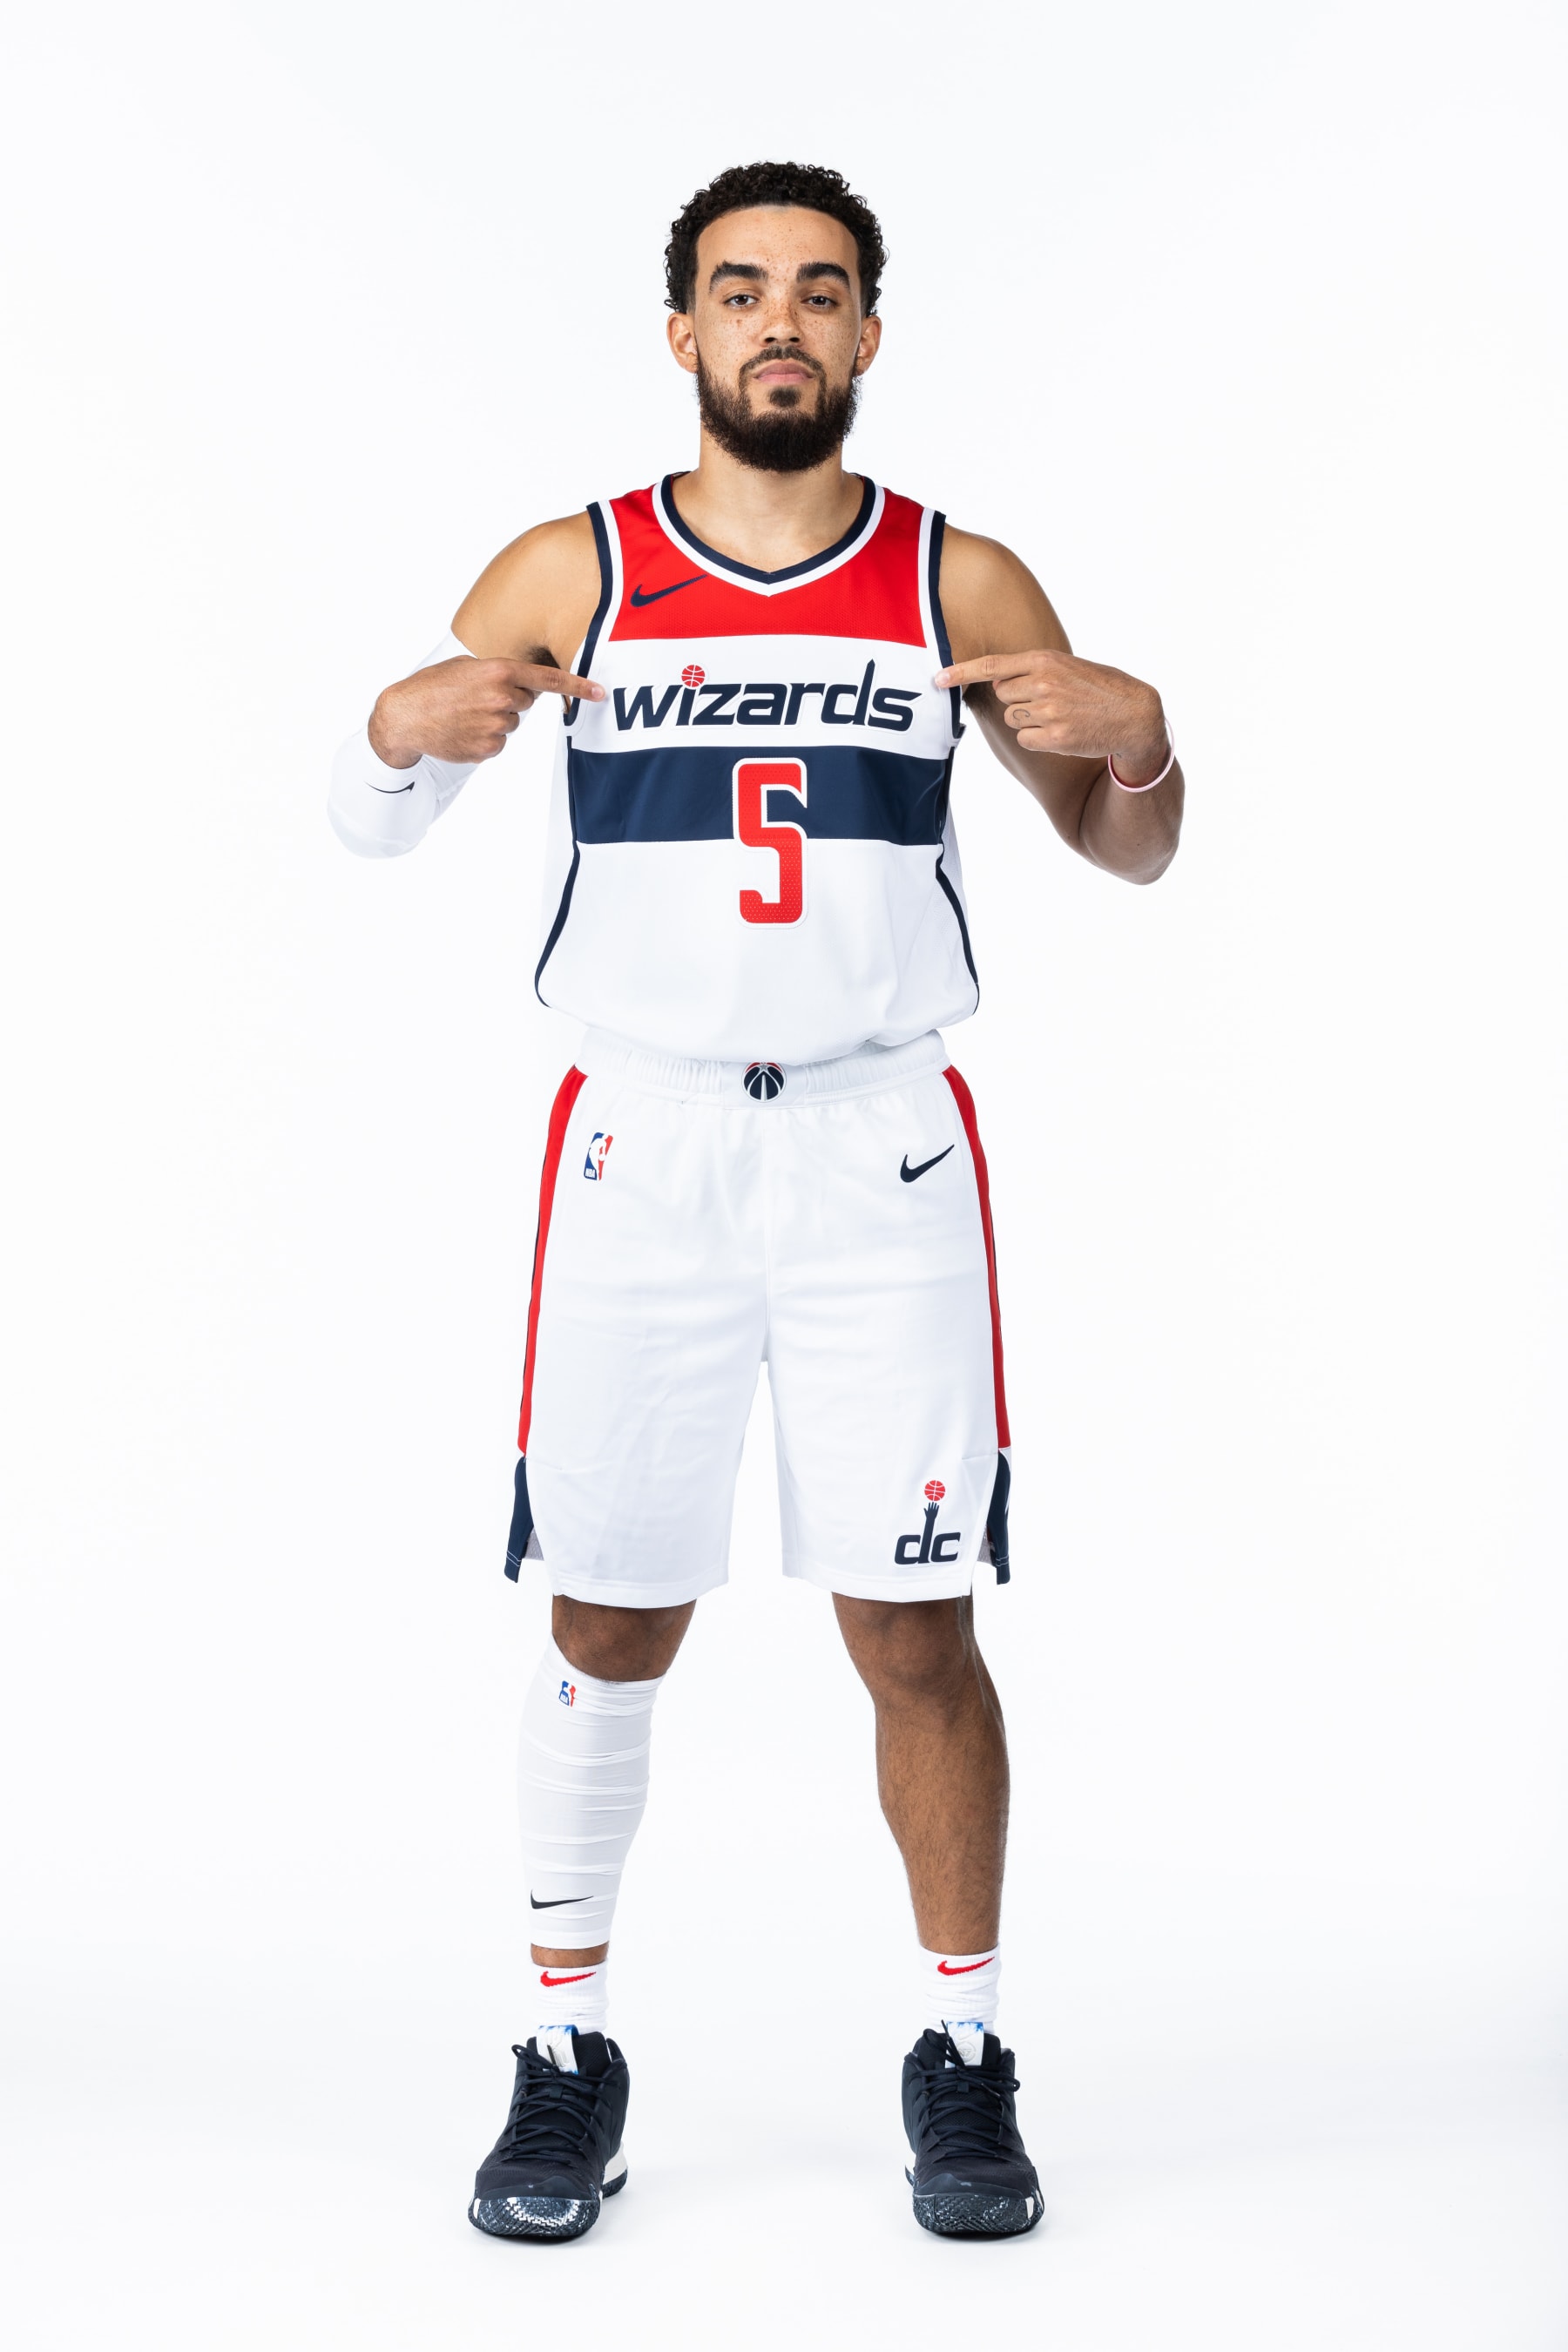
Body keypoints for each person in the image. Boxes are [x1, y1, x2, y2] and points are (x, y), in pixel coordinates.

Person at [329, 159, 1182, 2244]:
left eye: (820, 289)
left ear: (871, 333)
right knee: (610, 1611)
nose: (780, 322)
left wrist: (1146, 753)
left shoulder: (952, 580)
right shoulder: (577, 565)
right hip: (647, 1144)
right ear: (686, 334)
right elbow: (373, 821)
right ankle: (563, 2047)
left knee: (914, 1619)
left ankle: (962, 2053)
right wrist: (386, 737)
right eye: (740, 291)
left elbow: (1127, 846)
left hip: (881, 1149)